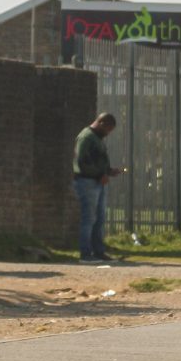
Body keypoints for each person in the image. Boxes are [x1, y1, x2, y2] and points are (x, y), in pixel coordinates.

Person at [72, 112, 125, 264]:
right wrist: (99, 174)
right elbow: (81, 162)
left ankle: (99, 251)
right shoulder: (86, 137)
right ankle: (85, 254)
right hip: (87, 182)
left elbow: (97, 160)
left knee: (99, 218)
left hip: (97, 182)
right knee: (89, 218)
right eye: (108, 129)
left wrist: (108, 171)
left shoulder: (97, 139)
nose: (108, 133)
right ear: (101, 123)